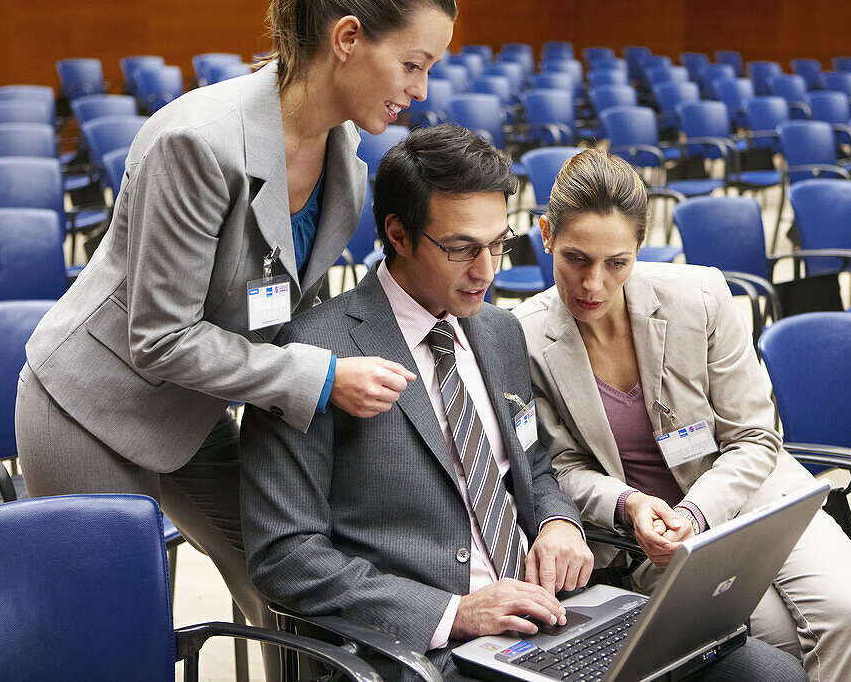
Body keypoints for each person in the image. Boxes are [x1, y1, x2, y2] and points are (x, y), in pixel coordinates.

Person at [14, 0, 455, 673]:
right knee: (114, 633)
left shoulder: (344, 162)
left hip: (192, 406)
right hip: (87, 408)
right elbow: (158, 339)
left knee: (287, 573)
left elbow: (293, 313)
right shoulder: (197, 141)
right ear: (347, 39)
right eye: (413, 63)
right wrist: (320, 379)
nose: (422, 87)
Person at [239, 124, 807, 681]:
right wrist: (453, 613)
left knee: (768, 671)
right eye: (461, 248)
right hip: (430, 649)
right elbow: (285, 554)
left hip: (551, 614)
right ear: (399, 234)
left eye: (497, 245)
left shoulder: (498, 332)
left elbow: (533, 467)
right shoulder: (315, 352)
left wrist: (561, 523)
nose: (486, 271)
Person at [513, 149, 851, 682]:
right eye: (576, 258)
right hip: (656, 546)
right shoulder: (526, 336)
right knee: (777, 647)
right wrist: (629, 504)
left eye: (616, 263)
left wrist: (696, 513)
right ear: (546, 233)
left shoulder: (700, 296)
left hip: (757, 503)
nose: (593, 284)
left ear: (640, 249)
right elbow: (560, 469)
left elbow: (756, 437)